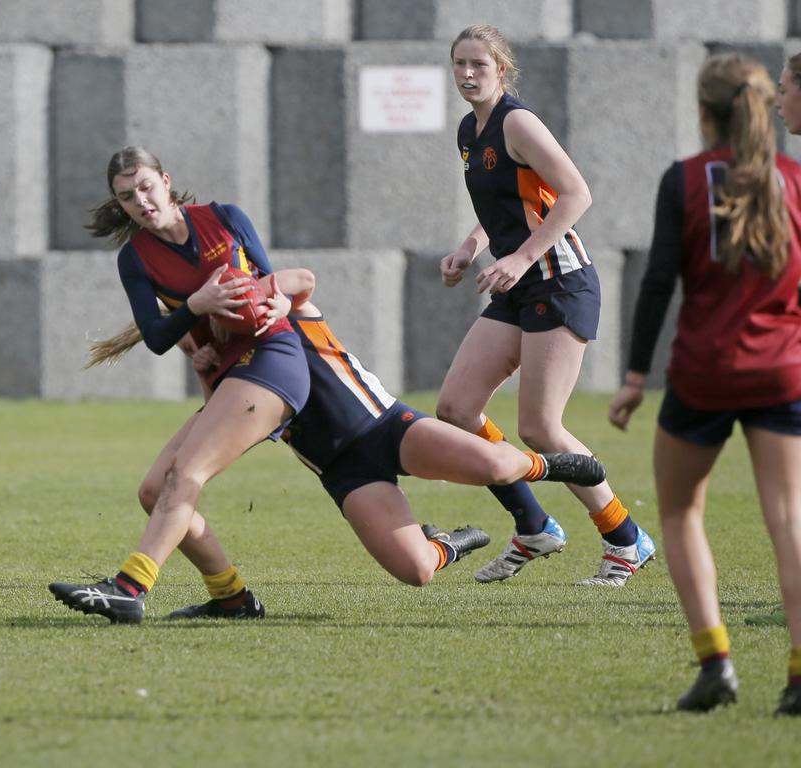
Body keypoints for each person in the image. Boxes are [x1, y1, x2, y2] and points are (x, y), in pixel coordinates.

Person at [80, 269, 608, 619]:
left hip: (387, 427)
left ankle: (555, 463)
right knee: (417, 571)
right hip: (343, 470)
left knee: (496, 464)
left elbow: (302, 280)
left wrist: (281, 294)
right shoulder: (215, 354)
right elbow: (225, 415)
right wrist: (203, 367)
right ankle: (456, 540)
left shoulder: (274, 308)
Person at [608, 52, 801, 716]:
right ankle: (800, 678)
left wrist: (634, 376)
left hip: (702, 374)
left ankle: (716, 664)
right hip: (783, 369)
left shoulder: (685, 180)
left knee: (682, 512)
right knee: (788, 519)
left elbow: (659, 282)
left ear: (703, 112)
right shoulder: (794, 179)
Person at [47, 146, 312, 624]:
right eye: (127, 197)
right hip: (233, 375)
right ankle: (232, 598)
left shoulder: (226, 217)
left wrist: (277, 302)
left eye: (146, 187)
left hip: (274, 358)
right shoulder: (136, 259)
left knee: (185, 474)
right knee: (154, 491)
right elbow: (154, 338)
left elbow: (271, 281)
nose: (141, 201)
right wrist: (196, 307)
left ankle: (129, 587)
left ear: (165, 181)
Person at [436, 24, 655, 586]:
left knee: (539, 428)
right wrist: (470, 247)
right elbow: (507, 204)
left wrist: (521, 259)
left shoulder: (517, 121)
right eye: (459, 63)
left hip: (560, 283)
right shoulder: (470, 129)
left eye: (478, 65)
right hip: (519, 284)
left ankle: (626, 539)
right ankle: (534, 526)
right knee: (456, 410)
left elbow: (577, 193)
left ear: (500, 70)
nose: (467, 74)